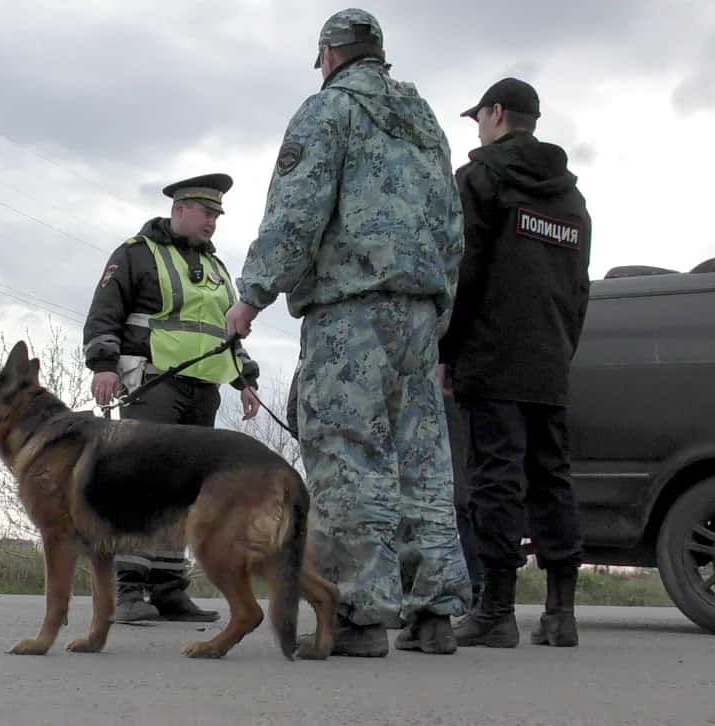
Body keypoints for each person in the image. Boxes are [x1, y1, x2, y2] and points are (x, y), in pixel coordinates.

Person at [225, 8, 470, 657]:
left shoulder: (328, 111)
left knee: (347, 454)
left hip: (350, 311)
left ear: (329, 55)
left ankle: (357, 612)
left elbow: (297, 210)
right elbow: (453, 229)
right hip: (419, 314)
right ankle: (433, 612)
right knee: (422, 461)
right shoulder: (427, 125)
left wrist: (252, 294)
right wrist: (437, 312)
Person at [440, 78, 592, 648]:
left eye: (479, 117)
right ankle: (561, 613)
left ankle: (496, 611)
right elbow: (579, 288)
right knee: (552, 478)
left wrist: (447, 351)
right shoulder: (571, 198)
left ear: (497, 113)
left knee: (494, 480)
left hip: (491, 355)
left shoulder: (479, 179)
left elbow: (463, 272)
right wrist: (561, 348)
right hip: (550, 358)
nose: (478, 128)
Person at [83, 172, 262, 623]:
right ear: (179, 209)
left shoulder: (217, 268)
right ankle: (128, 590)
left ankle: (168, 590)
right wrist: (103, 366)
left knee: (185, 490)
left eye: (217, 215)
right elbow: (104, 313)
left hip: (203, 390)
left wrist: (246, 380)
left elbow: (226, 332)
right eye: (206, 213)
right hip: (153, 384)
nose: (212, 222)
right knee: (140, 482)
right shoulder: (136, 253)